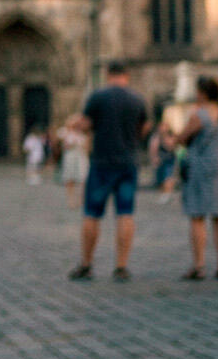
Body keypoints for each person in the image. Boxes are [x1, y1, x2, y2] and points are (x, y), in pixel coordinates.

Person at [68, 61, 151, 282]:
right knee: (125, 213)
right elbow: (145, 126)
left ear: (108, 74)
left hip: (102, 163)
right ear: (126, 75)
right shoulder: (136, 98)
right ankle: (121, 266)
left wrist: (78, 125)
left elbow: (85, 124)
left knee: (92, 214)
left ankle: (86, 265)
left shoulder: (98, 96)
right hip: (128, 162)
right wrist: (132, 139)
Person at [177, 76, 218, 280]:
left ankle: (199, 265)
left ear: (202, 93)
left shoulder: (200, 115)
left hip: (201, 168)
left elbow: (182, 138)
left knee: (197, 216)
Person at [57, 117, 89, 209]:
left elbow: (86, 147)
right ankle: (71, 200)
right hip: (70, 157)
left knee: (83, 179)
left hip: (81, 157)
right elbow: (61, 142)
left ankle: (81, 199)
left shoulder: (83, 134)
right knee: (70, 179)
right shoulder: (66, 132)